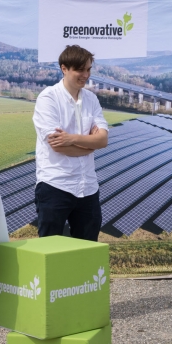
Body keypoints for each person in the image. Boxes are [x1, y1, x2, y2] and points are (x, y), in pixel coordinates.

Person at [32, 45, 109, 241]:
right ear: (64, 68)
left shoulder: (91, 99)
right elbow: (58, 145)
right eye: (80, 70)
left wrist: (72, 138)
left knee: (87, 252)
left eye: (88, 69)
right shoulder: (48, 98)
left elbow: (103, 140)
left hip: (88, 188)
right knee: (50, 252)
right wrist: (90, 144)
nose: (86, 75)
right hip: (55, 186)